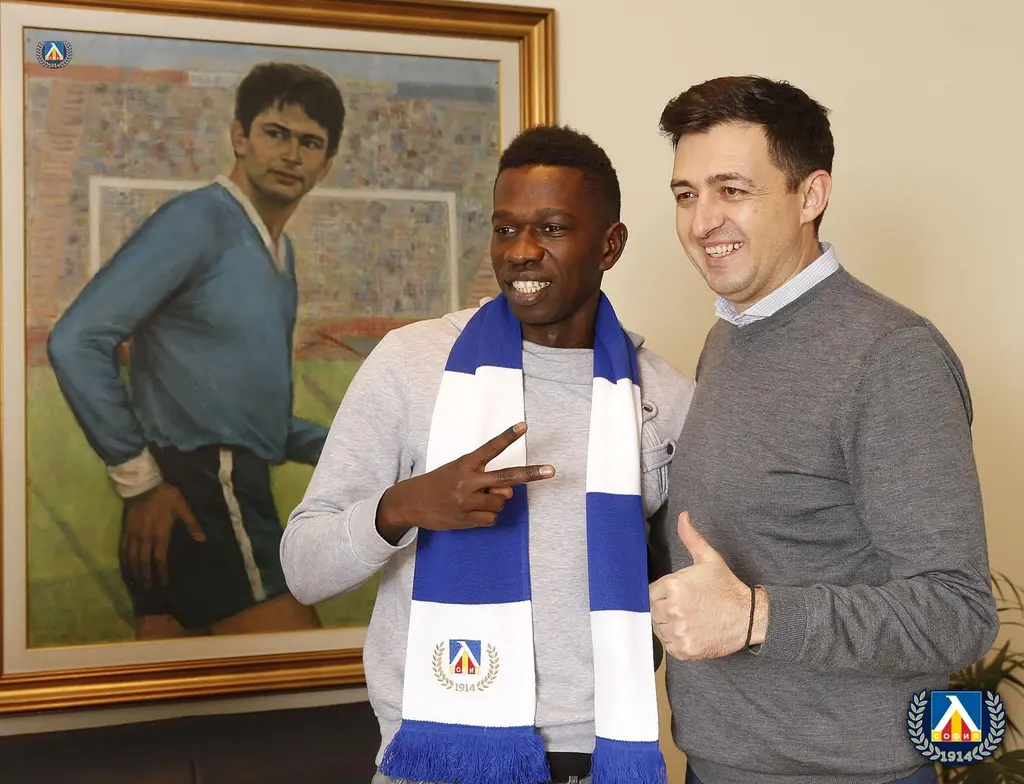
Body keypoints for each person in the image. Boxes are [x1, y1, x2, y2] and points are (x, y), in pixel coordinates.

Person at [280, 125, 695, 784]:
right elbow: (303, 568)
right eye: (506, 230)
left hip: (598, 759)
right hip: (432, 756)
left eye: (551, 229)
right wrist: (402, 508)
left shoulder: (665, 399)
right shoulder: (411, 364)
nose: (521, 252)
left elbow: (691, 590)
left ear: (609, 245)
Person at [647, 75, 1000, 784]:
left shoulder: (892, 356)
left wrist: (755, 617)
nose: (702, 220)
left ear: (810, 196)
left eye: (732, 190)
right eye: (686, 194)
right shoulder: (729, 337)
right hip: (716, 764)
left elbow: (958, 612)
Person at [47, 62, 345, 640]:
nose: (291, 154)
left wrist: (349, 446)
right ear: (240, 137)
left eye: (309, 143)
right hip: (209, 490)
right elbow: (76, 339)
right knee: (303, 669)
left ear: (326, 162)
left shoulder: (278, 255)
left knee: (177, 684)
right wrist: (140, 482)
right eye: (276, 133)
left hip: (194, 493)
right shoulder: (198, 221)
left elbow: (246, 416)